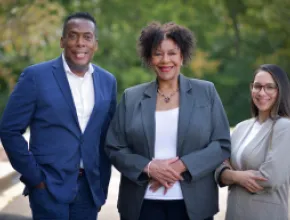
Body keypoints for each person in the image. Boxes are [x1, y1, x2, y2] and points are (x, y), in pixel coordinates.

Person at [105, 22, 231, 220]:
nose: (165, 60)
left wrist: (181, 166)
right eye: (157, 53)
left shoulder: (206, 92)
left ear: (182, 56)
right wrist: (149, 168)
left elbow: (221, 144)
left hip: (195, 206)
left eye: (172, 53)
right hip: (141, 205)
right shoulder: (131, 97)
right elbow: (114, 147)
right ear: (149, 58)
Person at [0, 12, 116, 220]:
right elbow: (9, 130)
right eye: (73, 36)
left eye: (87, 37)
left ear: (95, 44)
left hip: (89, 191)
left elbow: (106, 137)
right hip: (48, 188)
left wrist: (100, 188)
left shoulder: (108, 81)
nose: (80, 43)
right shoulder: (36, 77)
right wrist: (36, 178)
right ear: (62, 41)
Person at [216, 64, 290, 220]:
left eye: (270, 87)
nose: (262, 92)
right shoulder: (241, 127)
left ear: (280, 90)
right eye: (257, 86)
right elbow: (217, 168)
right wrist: (237, 177)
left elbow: (270, 178)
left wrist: (229, 174)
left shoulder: (285, 127)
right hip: (234, 214)